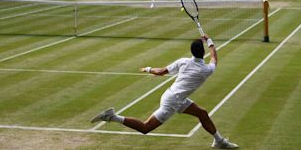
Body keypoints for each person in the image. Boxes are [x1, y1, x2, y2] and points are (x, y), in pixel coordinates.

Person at [91, 34, 239, 149]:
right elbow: (214, 57)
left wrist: (148, 69)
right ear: (202, 52)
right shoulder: (206, 70)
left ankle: (219, 141)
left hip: (175, 96)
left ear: (191, 52)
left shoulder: (183, 61)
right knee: (145, 128)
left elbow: (161, 71)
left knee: (202, 113)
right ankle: (112, 116)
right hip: (172, 101)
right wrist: (210, 42)